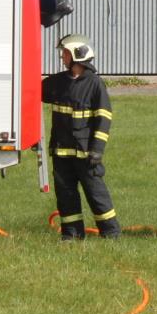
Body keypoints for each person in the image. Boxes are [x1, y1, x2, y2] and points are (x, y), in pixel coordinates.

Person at [43, 33, 120, 241]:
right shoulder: (58, 82)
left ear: (77, 55)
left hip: (86, 154)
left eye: (65, 53)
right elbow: (32, 91)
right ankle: (72, 235)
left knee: (96, 194)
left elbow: (104, 118)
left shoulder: (94, 84)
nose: (62, 58)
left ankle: (111, 233)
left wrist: (98, 149)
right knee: (66, 195)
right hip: (61, 151)